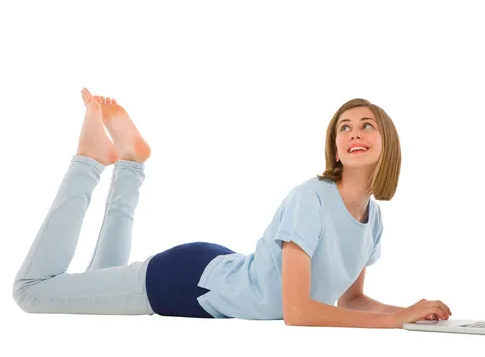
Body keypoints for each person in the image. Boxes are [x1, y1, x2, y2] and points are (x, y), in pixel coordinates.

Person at [12, 88, 452, 328]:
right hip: (186, 284)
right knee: (31, 291)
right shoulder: (310, 198)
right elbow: (297, 312)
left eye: (367, 125)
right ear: (335, 147)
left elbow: (350, 299)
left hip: (218, 268)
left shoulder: (372, 220)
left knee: (89, 284)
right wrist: (395, 322)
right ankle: (89, 160)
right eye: (345, 127)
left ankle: (129, 163)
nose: (354, 132)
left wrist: (408, 312)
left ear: (386, 142)